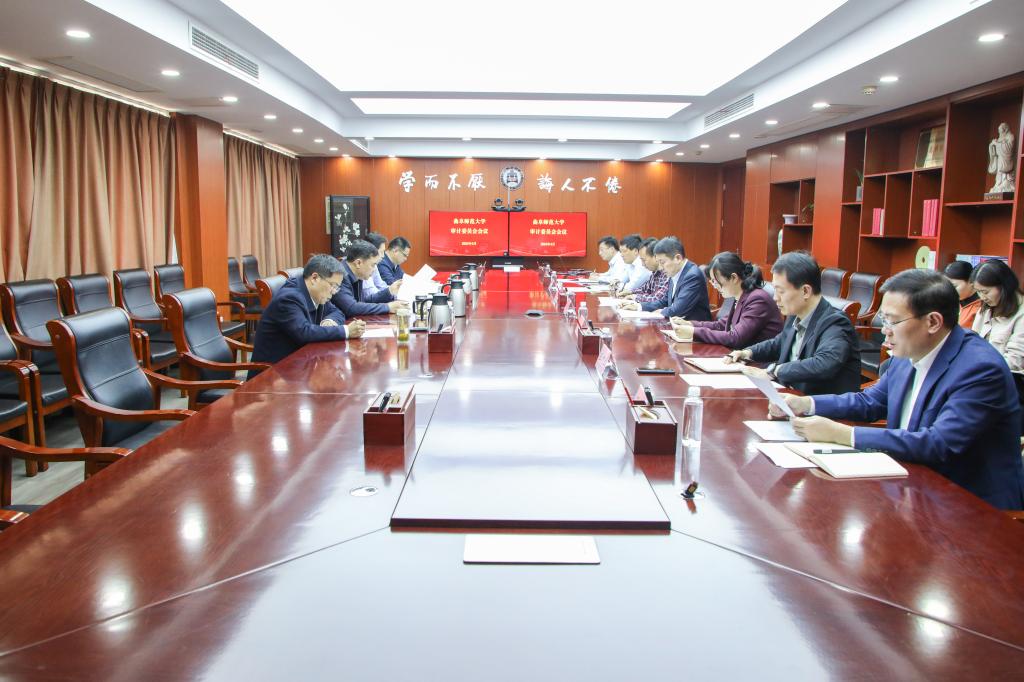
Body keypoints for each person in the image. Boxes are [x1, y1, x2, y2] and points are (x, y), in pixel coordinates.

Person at [772, 269, 1024, 510]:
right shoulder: (909, 351)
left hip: (969, 505)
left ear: (933, 322)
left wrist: (841, 434)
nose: (885, 331)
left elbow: (938, 444)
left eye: (892, 321)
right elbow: (871, 401)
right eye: (884, 319)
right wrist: (808, 404)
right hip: (909, 485)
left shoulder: (980, 369)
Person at [726, 251, 861, 395]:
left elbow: (824, 363)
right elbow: (779, 343)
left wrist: (774, 370)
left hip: (818, 406)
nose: (775, 298)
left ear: (805, 291)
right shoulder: (795, 314)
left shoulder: (836, 323)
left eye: (781, 291)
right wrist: (747, 352)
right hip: (788, 398)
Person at [250, 254, 366, 368]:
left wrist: (330, 321)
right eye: (333, 285)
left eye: (337, 287)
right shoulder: (289, 298)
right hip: (274, 371)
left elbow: (337, 312)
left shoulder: (315, 292)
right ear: (314, 278)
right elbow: (304, 332)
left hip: (300, 363)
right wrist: (346, 331)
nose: (334, 291)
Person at [671, 252, 783, 347]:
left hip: (757, 362)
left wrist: (694, 332)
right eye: (712, 281)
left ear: (733, 277)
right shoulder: (741, 296)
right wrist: (690, 324)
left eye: (716, 281)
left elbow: (736, 337)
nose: (715, 286)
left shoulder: (757, 299)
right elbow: (721, 325)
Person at [970, 259, 1024, 414]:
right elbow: (972, 343)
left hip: (1009, 384)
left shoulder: (1021, 313)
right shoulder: (986, 308)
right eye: (978, 292)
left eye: (985, 292)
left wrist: (979, 372)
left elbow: (1015, 361)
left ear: (1004, 286)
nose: (982, 297)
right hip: (983, 379)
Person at [620, 237, 710, 320]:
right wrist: (639, 306)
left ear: (678, 258)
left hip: (693, 328)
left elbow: (679, 309)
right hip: (676, 324)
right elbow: (664, 301)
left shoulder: (692, 275)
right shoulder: (674, 271)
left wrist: (661, 312)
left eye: (662, 262)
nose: (660, 267)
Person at [332, 239, 407, 317]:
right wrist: (387, 307)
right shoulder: (340, 276)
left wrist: (389, 292)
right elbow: (352, 308)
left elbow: (363, 302)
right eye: (373, 265)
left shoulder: (357, 274)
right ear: (358, 263)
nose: (374, 270)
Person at [621, 238, 667, 304]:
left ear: (655, 257)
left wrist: (635, 297)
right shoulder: (655, 272)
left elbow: (657, 299)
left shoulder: (666, 273)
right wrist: (630, 292)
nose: (642, 264)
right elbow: (645, 289)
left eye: (644, 260)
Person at [943, 260, 981, 328]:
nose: (949, 290)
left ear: (971, 281)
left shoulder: (981, 308)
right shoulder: (951, 302)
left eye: (954, 286)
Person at [359, 232, 393, 300]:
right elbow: (371, 294)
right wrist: (391, 294)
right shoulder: (363, 266)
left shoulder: (374, 265)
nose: (383, 256)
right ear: (371, 251)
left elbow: (380, 285)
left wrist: (393, 291)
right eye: (381, 252)